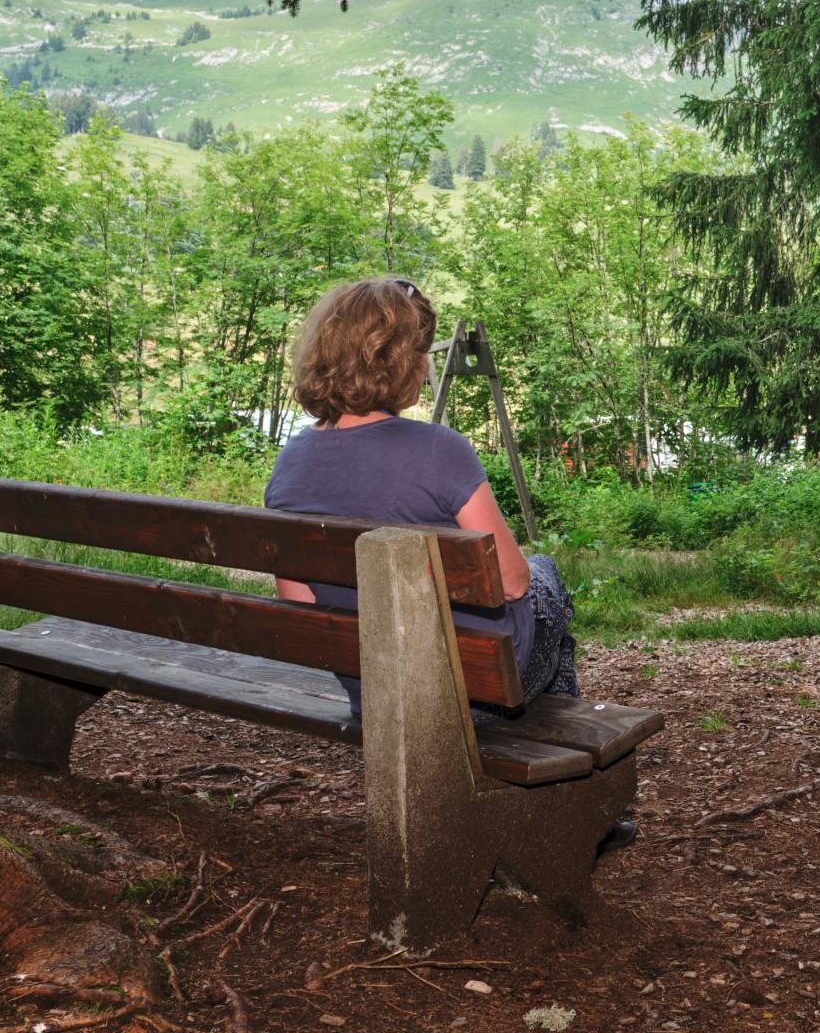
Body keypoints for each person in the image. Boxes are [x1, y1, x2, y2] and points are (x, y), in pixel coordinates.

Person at [263, 277, 634, 854]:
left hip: (373, 687)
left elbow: (298, 604)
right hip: (476, 692)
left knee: (539, 595)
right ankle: (577, 800)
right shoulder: (439, 449)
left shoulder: (292, 459)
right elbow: (510, 581)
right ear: (401, 361)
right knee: (545, 577)